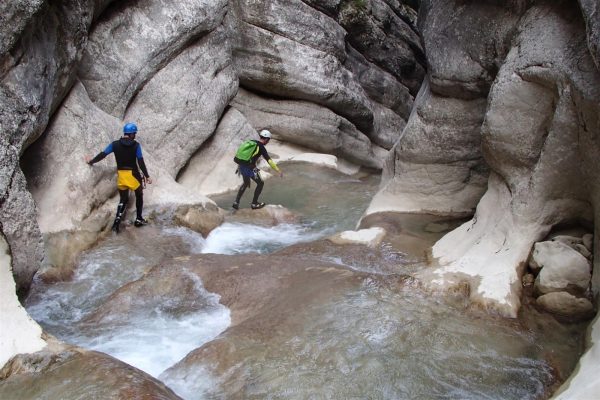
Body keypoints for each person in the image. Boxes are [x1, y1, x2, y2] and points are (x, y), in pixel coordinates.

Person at [87, 122, 152, 232]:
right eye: (134, 133)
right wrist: (147, 176)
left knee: (123, 199)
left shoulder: (114, 144)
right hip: (133, 175)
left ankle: (116, 224)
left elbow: (103, 154)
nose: (135, 135)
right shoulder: (136, 145)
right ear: (131, 134)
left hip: (122, 176)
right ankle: (139, 219)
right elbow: (140, 161)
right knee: (139, 195)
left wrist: (91, 161)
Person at [232, 129, 283, 210]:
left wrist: (239, 166)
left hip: (242, 166)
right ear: (266, 139)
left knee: (245, 183)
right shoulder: (261, 147)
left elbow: (244, 156)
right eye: (268, 140)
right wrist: (278, 170)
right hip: (250, 168)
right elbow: (269, 160)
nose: (268, 142)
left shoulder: (252, 142)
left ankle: (236, 202)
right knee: (260, 183)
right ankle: (254, 204)